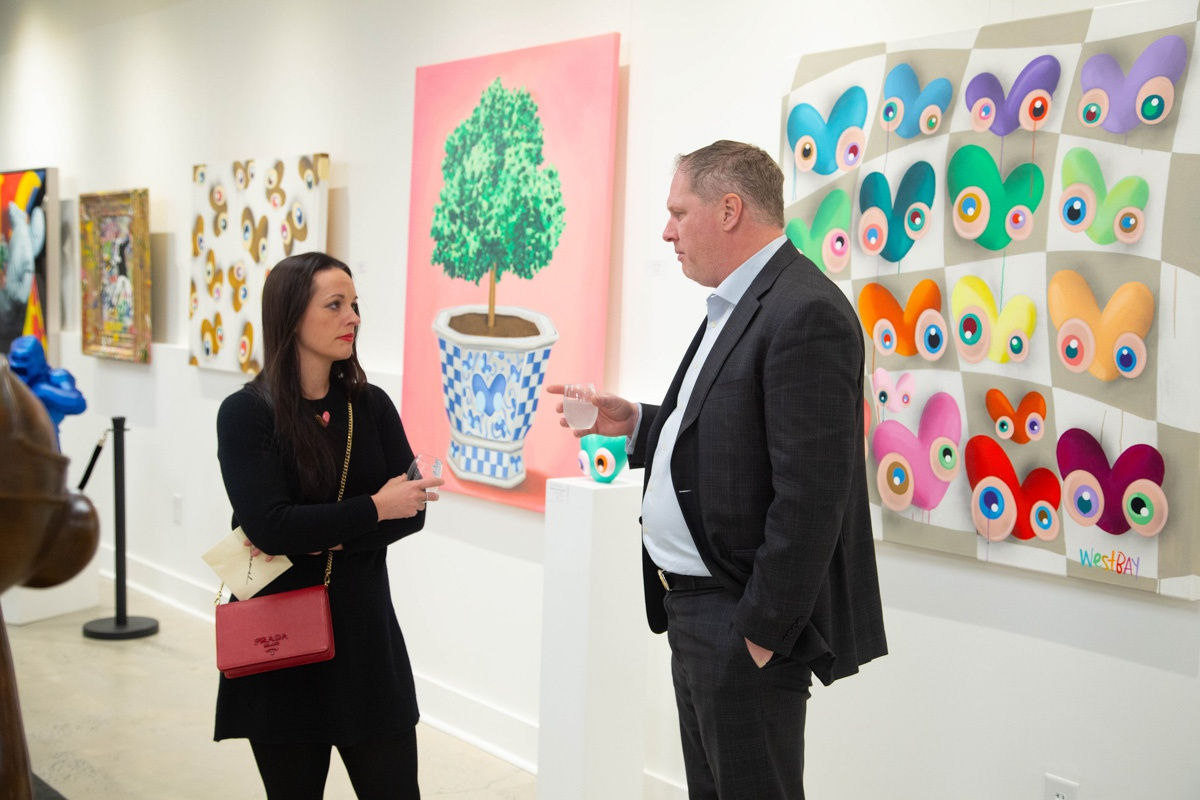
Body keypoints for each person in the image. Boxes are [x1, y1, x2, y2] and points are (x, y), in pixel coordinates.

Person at [549, 140, 886, 799]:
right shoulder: (743, 303)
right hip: (696, 610)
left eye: (679, 211)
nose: (666, 231)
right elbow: (732, 439)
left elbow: (812, 497)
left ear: (730, 209)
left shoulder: (804, 312)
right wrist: (641, 424)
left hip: (740, 621)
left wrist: (759, 633)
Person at [214, 252, 443, 800]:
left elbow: (412, 511)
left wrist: (318, 530)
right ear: (292, 316)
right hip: (280, 644)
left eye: (355, 304)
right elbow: (270, 528)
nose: (353, 318)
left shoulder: (372, 406)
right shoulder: (247, 413)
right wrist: (371, 509)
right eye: (335, 305)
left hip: (365, 638)